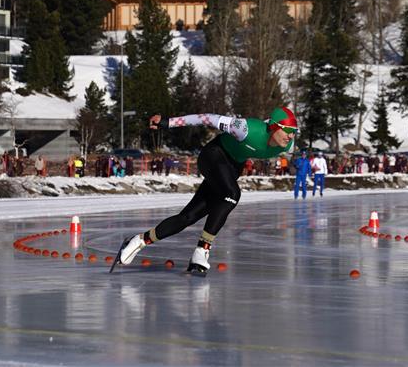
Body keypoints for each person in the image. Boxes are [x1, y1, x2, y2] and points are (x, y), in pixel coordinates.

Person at [113, 107, 298, 274]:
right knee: (232, 194)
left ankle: (139, 241)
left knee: (188, 217)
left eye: (294, 132)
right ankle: (202, 250)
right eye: (288, 130)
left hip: (232, 167)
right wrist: (167, 122)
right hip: (214, 156)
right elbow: (207, 118)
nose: (290, 136)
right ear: (274, 126)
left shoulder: (287, 145)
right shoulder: (246, 128)